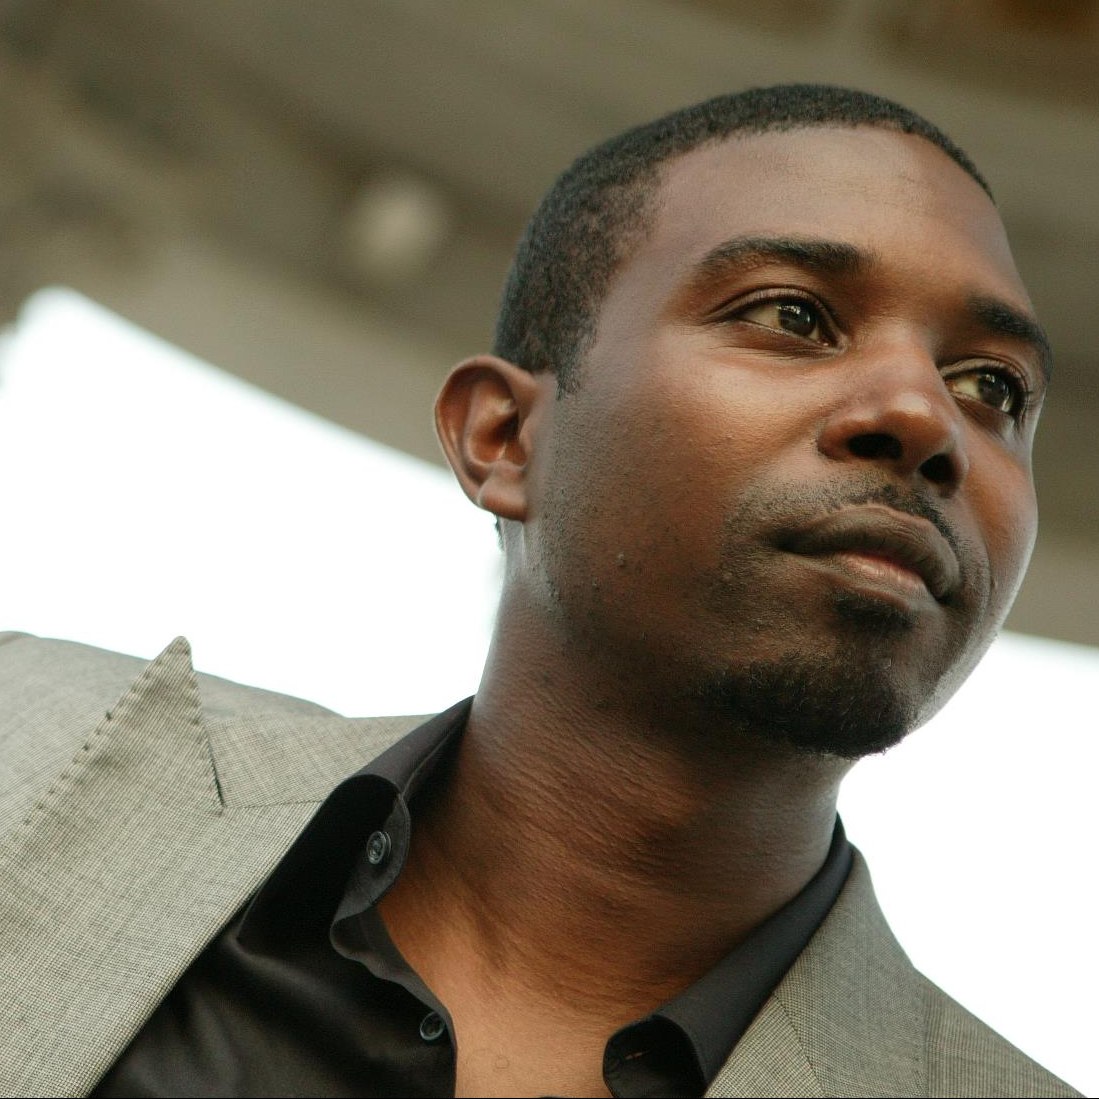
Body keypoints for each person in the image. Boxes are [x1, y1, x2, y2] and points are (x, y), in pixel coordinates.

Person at [0, 84, 1079, 1098]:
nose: (926, 419)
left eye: (992, 387)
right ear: (504, 436)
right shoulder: (28, 748)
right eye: (793, 316)